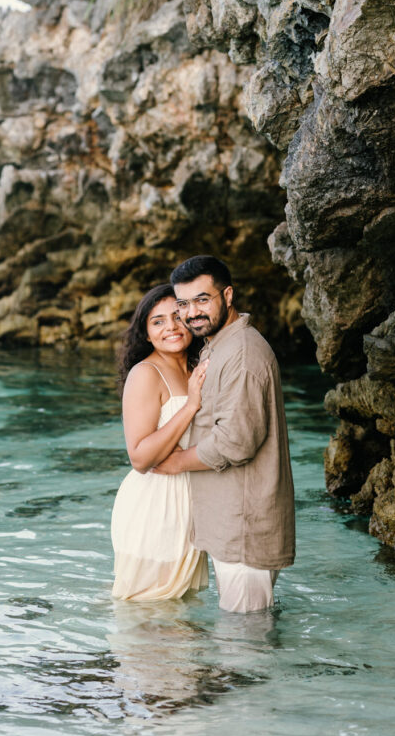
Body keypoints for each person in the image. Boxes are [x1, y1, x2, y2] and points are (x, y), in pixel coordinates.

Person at [154, 255, 295, 614]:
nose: (191, 313)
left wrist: (176, 463)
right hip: (233, 523)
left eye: (202, 299)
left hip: (244, 528)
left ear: (227, 296)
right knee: (244, 633)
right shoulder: (220, 347)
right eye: (183, 303)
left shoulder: (242, 354)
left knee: (244, 638)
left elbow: (236, 440)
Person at [111, 283, 209, 601]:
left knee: (180, 612)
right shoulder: (146, 373)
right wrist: (191, 405)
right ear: (146, 334)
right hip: (154, 504)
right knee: (147, 609)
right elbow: (139, 458)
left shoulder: (198, 366)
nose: (171, 327)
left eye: (178, 316)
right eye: (158, 321)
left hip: (189, 501)